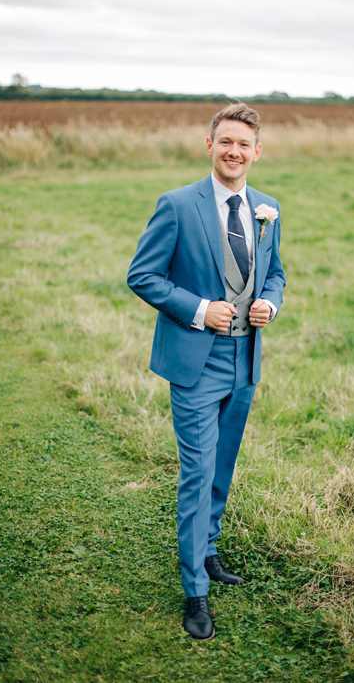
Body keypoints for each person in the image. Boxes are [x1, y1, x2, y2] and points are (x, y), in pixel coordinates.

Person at [128, 102, 285, 640]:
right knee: (197, 474)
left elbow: (277, 275)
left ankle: (209, 550)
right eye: (226, 142)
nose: (234, 152)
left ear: (257, 152)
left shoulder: (268, 209)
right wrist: (199, 310)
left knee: (222, 466)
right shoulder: (176, 205)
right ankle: (195, 590)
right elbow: (142, 275)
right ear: (210, 145)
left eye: (244, 144)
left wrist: (269, 303)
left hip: (245, 362)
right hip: (195, 364)